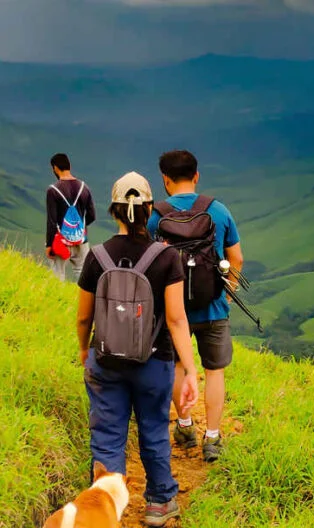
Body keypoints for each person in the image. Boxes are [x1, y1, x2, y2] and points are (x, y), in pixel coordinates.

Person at [77, 172, 199, 527]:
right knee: (154, 430)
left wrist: (85, 351)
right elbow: (177, 320)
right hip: (155, 361)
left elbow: (84, 318)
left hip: (106, 359)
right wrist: (190, 370)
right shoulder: (166, 258)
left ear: (114, 210)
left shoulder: (97, 257)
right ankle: (160, 503)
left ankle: (103, 510)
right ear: (149, 210)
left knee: (108, 435)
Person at [148, 150, 243, 463]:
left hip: (173, 312)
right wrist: (226, 294)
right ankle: (213, 438)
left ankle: (185, 426)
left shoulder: (155, 216)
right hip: (213, 307)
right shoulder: (218, 210)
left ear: (165, 179)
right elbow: (237, 258)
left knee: (177, 366)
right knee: (214, 372)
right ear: (197, 175)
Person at [46, 153, 96, 281]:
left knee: (57, 276)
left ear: (55, 168)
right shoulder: (85, 188)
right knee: (83, 277)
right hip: (81, 240)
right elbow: (92, 215)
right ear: (70, 166)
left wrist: (49, 245)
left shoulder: (53, 190)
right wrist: (78, 229)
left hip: (60, 241)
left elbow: (52, 221)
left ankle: (58, 301)